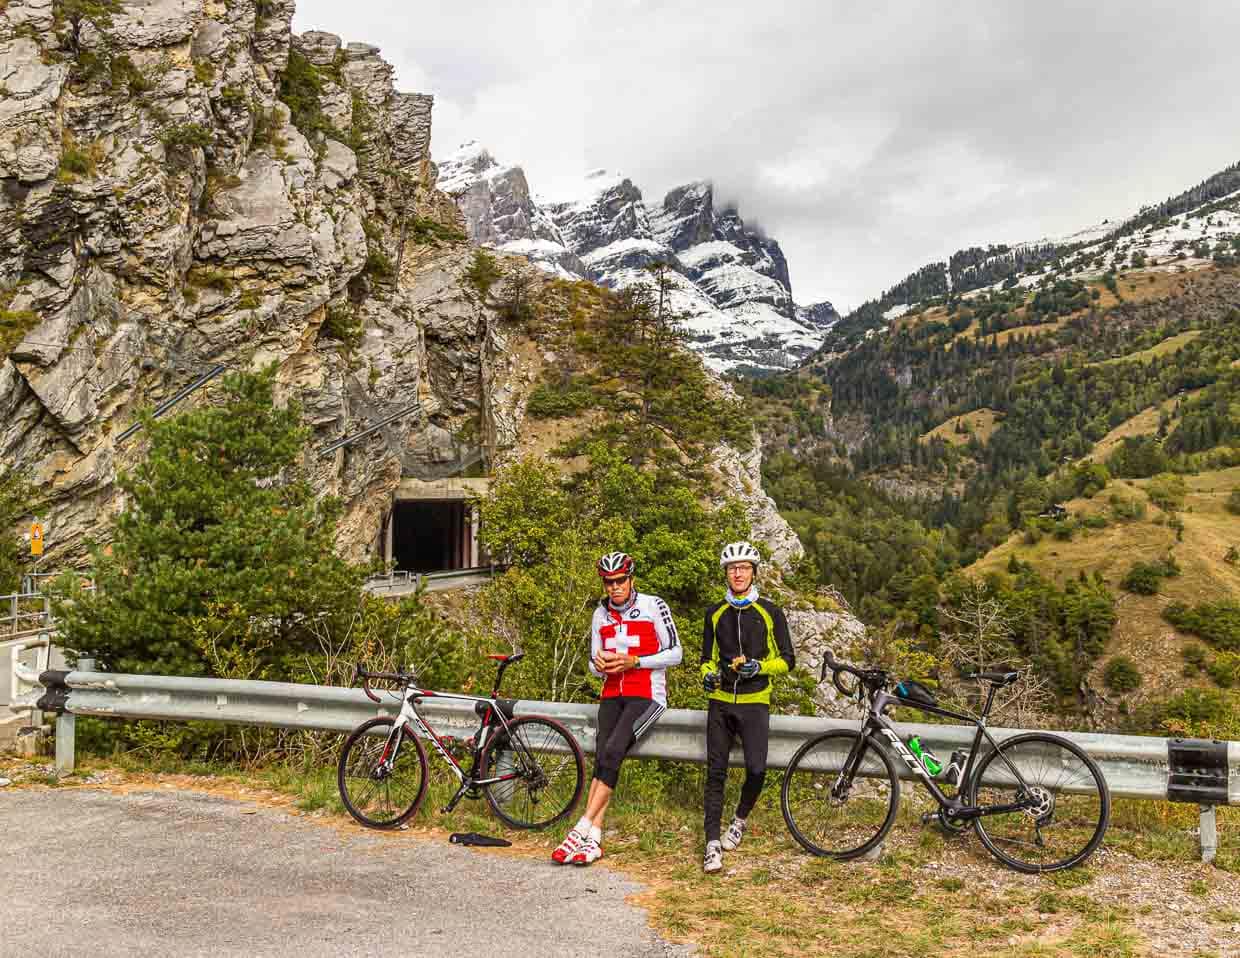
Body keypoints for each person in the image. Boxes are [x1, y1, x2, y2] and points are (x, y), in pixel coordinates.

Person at [551, 551, 682, 866]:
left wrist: (635, 661)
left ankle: (580, 827)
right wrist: (598, 665)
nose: (615, 587)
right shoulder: (600, 614)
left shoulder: (653, 605)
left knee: (612, 753)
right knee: (603, 758)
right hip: (611, 693)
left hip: (647, 694)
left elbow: (676, 653)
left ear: (630, 578)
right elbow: (594, 664)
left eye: (620, 580)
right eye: (609, 582)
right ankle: (593, 841)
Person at [699, 541, 795, 873]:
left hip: (755, 702)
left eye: (743, 568)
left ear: (754, 572)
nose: (737, 573)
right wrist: (709, 677)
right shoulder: (715, 613)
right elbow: (705, 661)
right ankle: (711, 844)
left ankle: (739, 820)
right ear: (725, 573)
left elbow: (788, 660)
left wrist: (759, 667)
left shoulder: (771, 611)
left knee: (756, 769)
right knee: (715, 773)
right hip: (721, 703)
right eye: (732, 568)